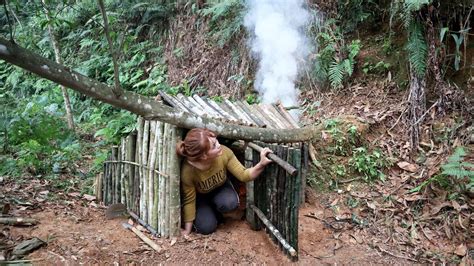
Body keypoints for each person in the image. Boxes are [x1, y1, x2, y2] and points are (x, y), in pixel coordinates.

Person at [176, 128, 272, 236]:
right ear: (204, 156)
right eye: (213, 146)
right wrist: (187, 230)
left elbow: (244, 175)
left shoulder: (224, 152)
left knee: (229, 203)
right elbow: (189, 201)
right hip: (201, 197)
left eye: (216, 140)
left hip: (220, 188)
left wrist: (261, 164)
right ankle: (216, 214)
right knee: (206, 228)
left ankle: (222, 211)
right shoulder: (188, 172)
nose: (218, 145)